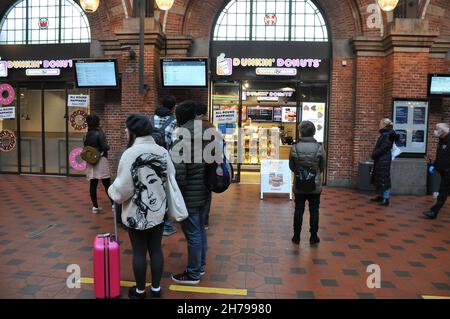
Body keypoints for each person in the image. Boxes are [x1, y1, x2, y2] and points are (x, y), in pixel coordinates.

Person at [108, 113, 175, 299]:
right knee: (156, 249)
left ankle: (139, 291)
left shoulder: (129, 153)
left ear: (133, 131)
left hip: (135, 213)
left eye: (126, 128)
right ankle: (155, 289)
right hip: (159, 212)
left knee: (139, 252)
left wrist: (112, 191)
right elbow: (172, 174)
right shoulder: (162, 151)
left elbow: (122, 189)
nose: (124, 131)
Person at [171, 100, 210, 285]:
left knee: (193, 233)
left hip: (190, 193)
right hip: (206, 189)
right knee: (200, 230)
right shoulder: (208, 132)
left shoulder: (182, 136)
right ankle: (200, 266)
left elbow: (179, 173)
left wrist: (176, 194)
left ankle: (193, 273)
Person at [289, 121, 326, 246]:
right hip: (314, 185)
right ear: (314, 132)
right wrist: (314, 174)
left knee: (298, 209)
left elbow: (291, 166)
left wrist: (300, 173)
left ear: (301, 132)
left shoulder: (294, 147)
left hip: (299, 184)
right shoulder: (319, 148)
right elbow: (322, 166)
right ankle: (313, 236)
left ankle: (296, 236)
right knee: (314, 210)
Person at [152, 95, 178, 237]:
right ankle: (167, 226)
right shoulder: (174, 121)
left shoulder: (151, 119)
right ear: (173, 107)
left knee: (154, 189)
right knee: (166, 190)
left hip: (150, 159)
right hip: (166, 159)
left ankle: (155, 221)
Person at [84, 115, 114, 214]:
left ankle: (95, 207)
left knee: (93, 184)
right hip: (100, 160)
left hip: (91, 161)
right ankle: (113, 204)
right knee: (107, 184)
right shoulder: (99, 133)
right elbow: (105, 147)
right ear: (97, 122)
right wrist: (108, 145)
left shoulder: (86, 134)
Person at [423, 123, 450, 219]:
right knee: (443, 192)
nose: (436, 131)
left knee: (442, 192)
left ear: (443, 130)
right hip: (443, 171)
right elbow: (440, 156)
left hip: (448, 171)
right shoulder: (442, 140)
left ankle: (433, 212)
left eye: (437, 129)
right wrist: (434, 165)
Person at [370, 118, 399, 206]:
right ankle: (380, 196)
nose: (379, 125)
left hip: (384, 159)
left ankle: (386, 199)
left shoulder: (387, 134)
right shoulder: (385, 134)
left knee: (384, 178)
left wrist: (374, 154)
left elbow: (384, 148)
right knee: (379, 177)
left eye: (380, 123)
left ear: (384, 125)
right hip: (381, 159)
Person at [195, 103, 214, 230]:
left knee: (194, 190)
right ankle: (204, 221)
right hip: (208, 164)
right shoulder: (211, 126)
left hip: (194, 163)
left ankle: (194, 219)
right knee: (207, 192)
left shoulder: (192, 126)